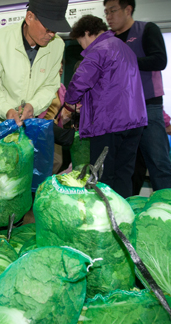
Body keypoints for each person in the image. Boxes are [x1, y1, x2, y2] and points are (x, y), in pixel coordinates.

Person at [62, 15, 148, 198]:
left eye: (80, 41)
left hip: (108, 122)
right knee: (124, 173)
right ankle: (122, 215)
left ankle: (106, 220)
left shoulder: (99, 49)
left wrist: (70, 100)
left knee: (102, 175)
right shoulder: (125, 48)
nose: (82, 47)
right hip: (135, 121)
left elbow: (79, 82)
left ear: (86, 33)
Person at [0, 0, 71, 149]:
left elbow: (50, 85)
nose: (51, 34)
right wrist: (6, 110)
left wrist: (33, 105)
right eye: (48, 28)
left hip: (28, 119)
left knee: (23, 168)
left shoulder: (57, 45)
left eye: (54, 30)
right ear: (29, 17)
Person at [103, 0, 171, 193]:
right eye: (106, 12)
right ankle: (125, 212)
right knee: (125, 166)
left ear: (128, 10)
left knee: (158, 162)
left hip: (147, 105)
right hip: (119, 110)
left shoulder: (146, 30)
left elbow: (159, 60)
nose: (108, 17)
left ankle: (170, 209)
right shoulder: (108, 39)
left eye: (113, 11)